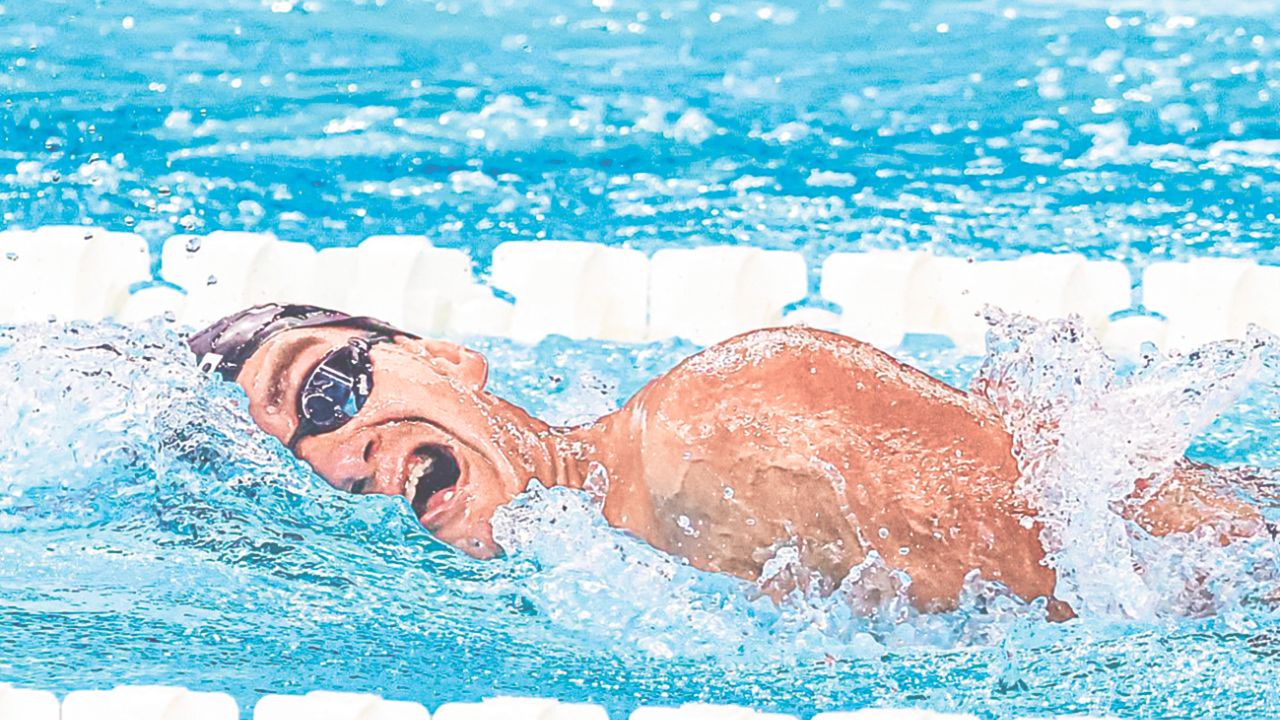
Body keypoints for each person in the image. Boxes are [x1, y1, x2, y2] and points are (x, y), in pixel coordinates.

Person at [188, 303, 1268, 620]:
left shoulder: (724, 432)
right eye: (294, 462)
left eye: (325, 390)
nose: (333, 458)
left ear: (447, 360)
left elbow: (1161, 590)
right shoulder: (605, 557)